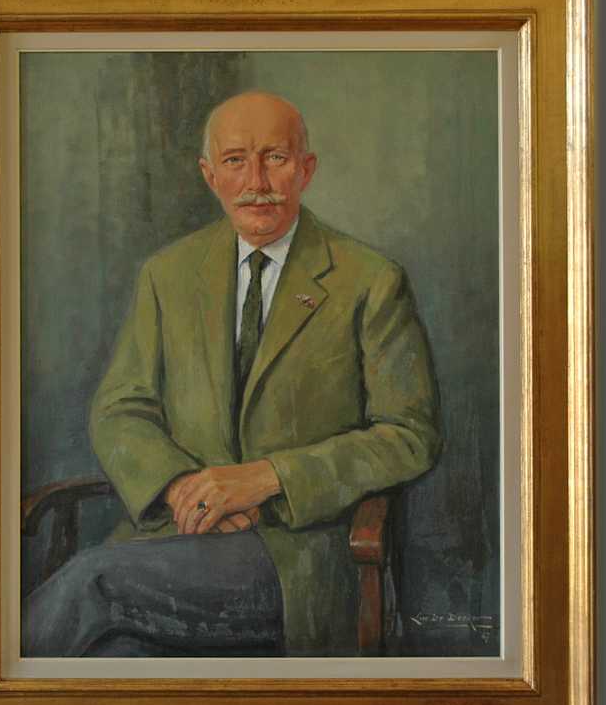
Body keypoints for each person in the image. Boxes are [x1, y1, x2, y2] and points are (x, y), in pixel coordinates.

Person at [22, 91, 441, 658]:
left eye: (276, 158)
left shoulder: (371, 280)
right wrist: (180, 488)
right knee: (115, 658)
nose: (256, 182)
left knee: (91, 584)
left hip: (293, 556)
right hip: (175, 539)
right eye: (236, 160)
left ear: (306, 169)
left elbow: (410, 436)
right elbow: (121, 408)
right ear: (209, 174)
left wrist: (267, 478)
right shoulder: (167, 274)